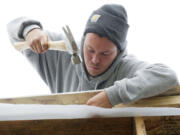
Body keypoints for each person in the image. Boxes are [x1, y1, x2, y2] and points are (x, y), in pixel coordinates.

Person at [7, 4, 178, 108]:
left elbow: (167, 75)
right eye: (90, 50)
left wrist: (114, 96)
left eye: (105, 53)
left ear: (119, 52)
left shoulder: (126, 67)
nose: (95, 60)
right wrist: (31, 30)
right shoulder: (60, 51)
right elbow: (13, 29)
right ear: (82, 42)